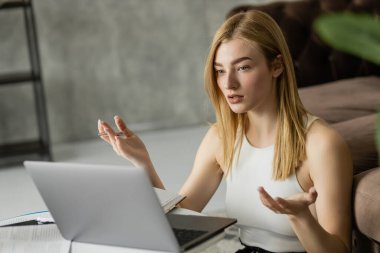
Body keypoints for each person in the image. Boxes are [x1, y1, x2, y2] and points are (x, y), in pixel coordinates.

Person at [97, 10, 353, 253]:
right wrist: (143, 162)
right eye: (220, 71)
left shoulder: (322, 144)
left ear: (277, 66)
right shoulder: (222, 138)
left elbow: (340, 250)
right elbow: (179, 223)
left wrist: (301, 217)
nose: (228, 84)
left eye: (243, 67)